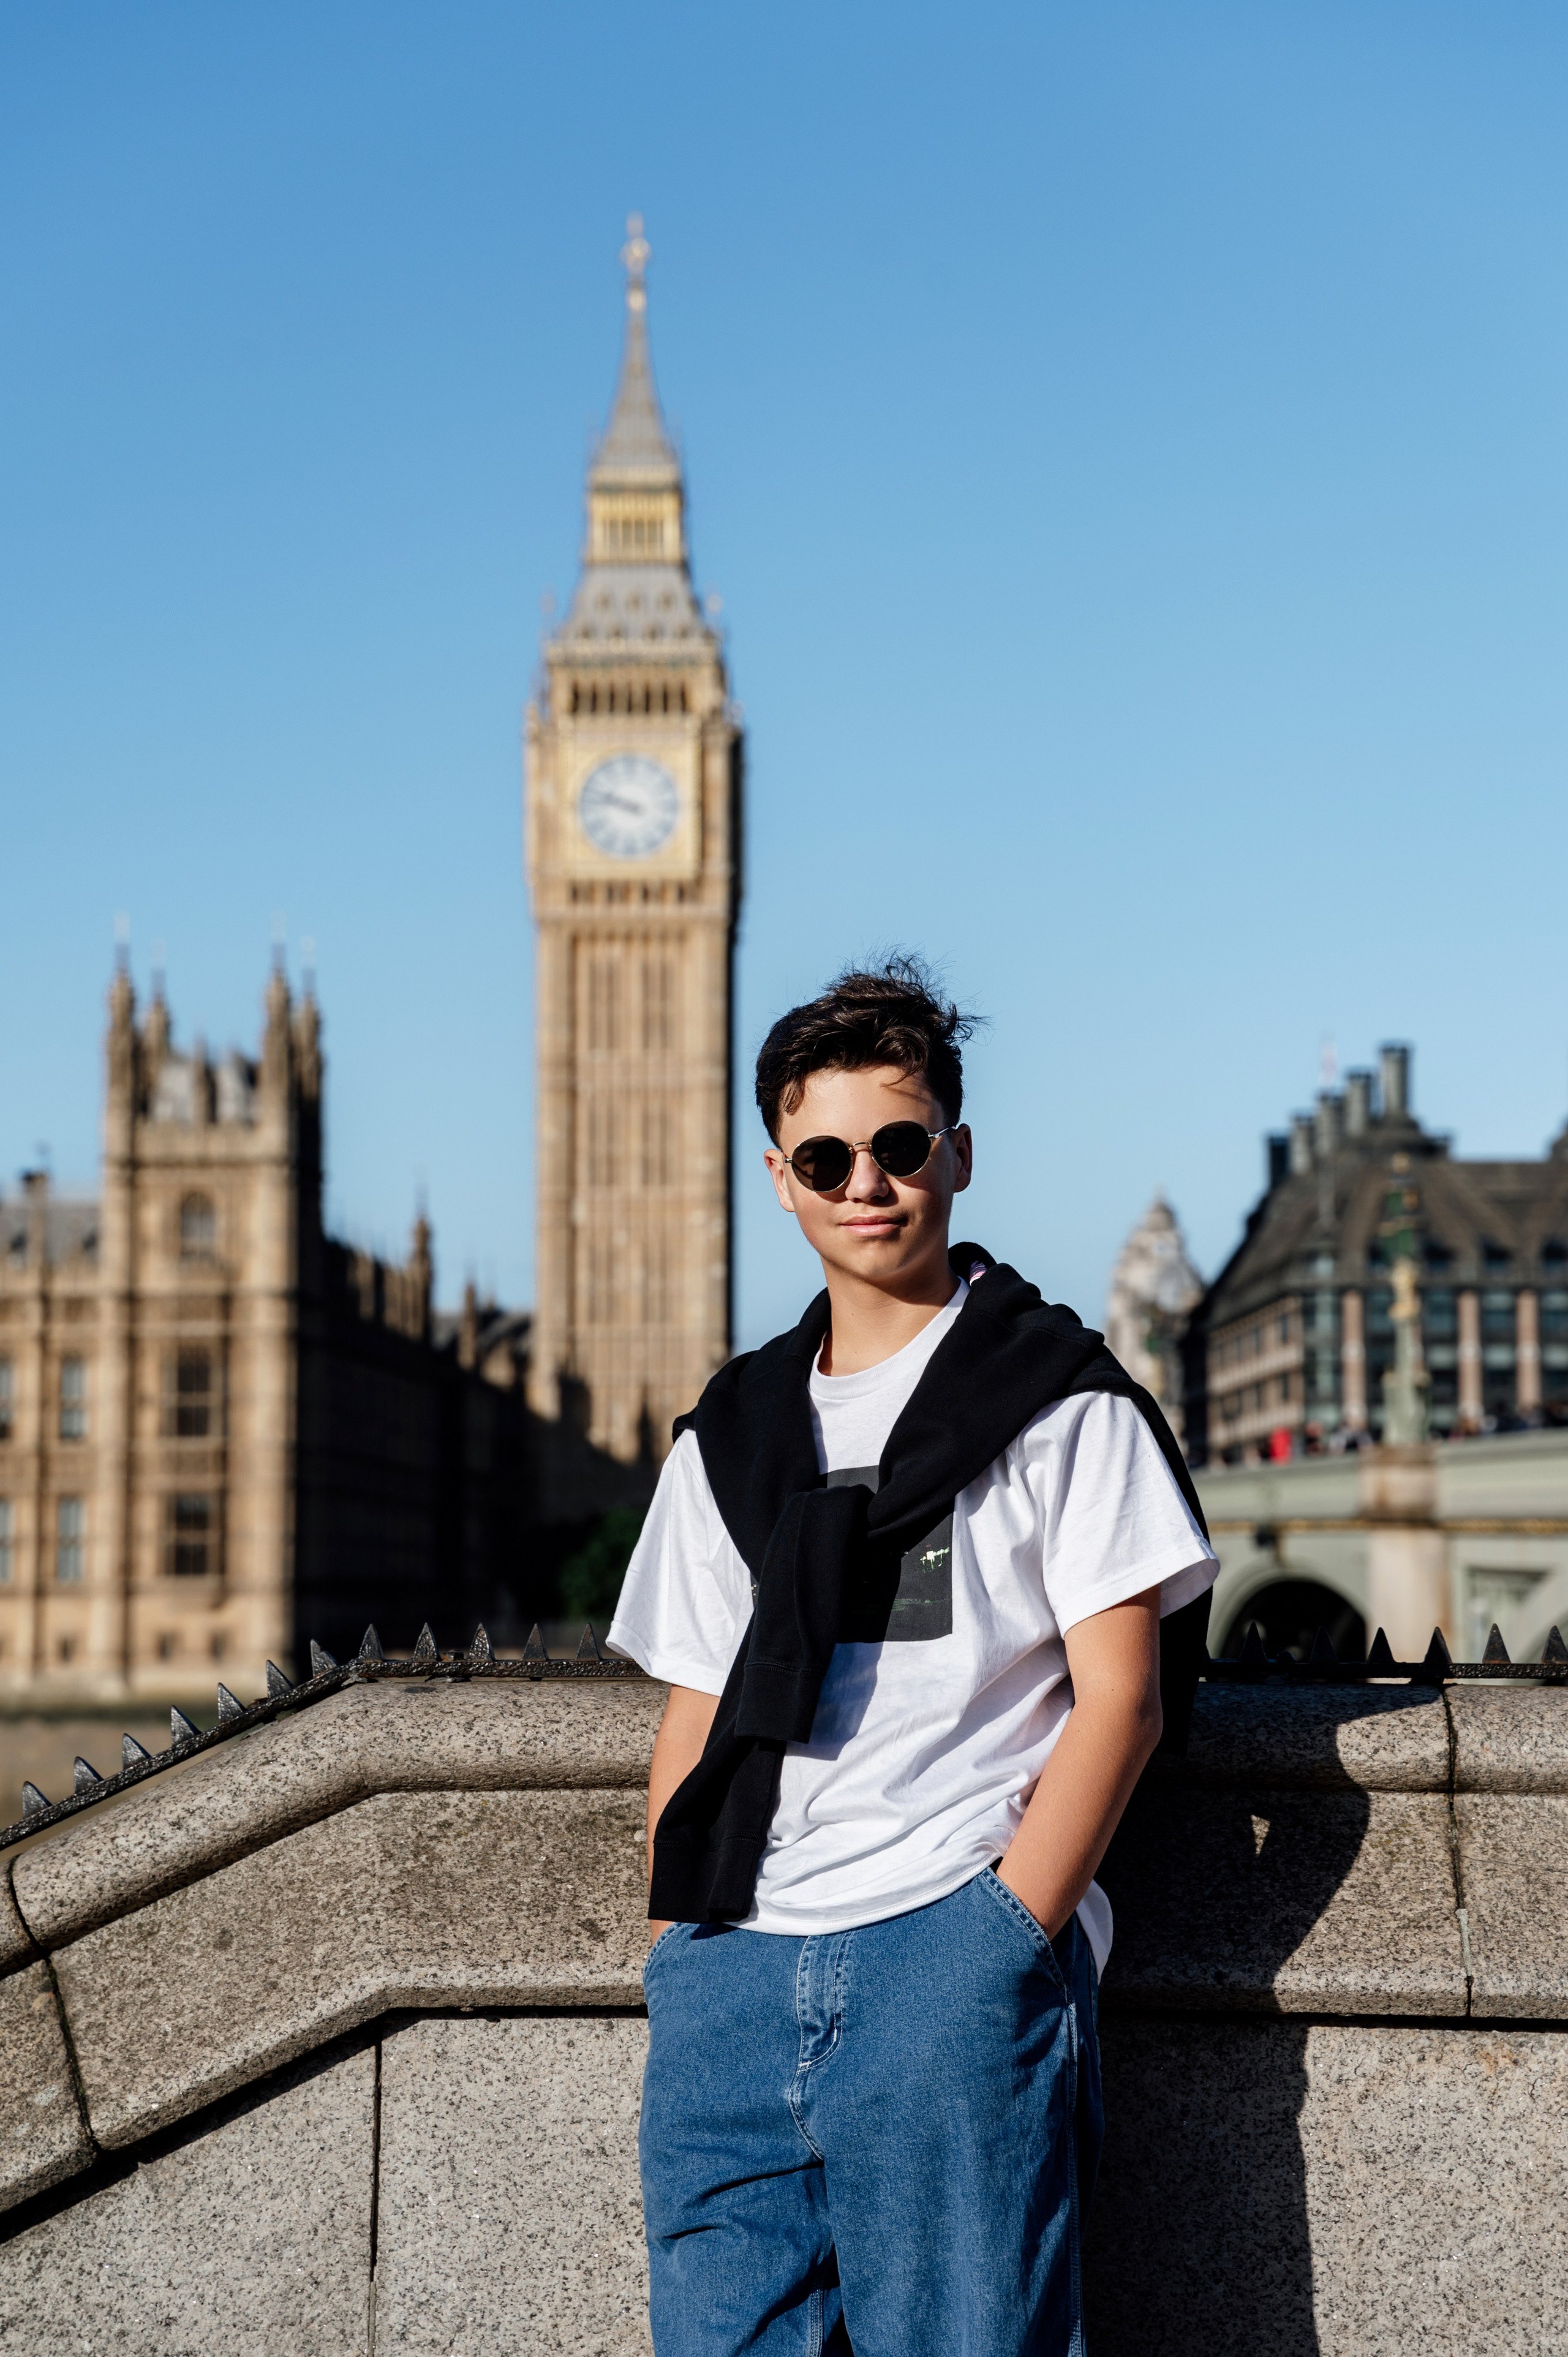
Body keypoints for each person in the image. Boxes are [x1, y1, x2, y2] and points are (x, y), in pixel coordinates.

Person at [607, 959, 1216, 2356]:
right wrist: (675, 1957)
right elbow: (697, 1697)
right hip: (733, 1982)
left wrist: (995, 1940)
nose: (864, 1182)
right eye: (825, 1156)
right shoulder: (732, 1431)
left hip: (944, 1960)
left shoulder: (1059, 1403)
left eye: (897, 1145)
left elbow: (1118, 1697)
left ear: (954, 1151)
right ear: (780, 1177)